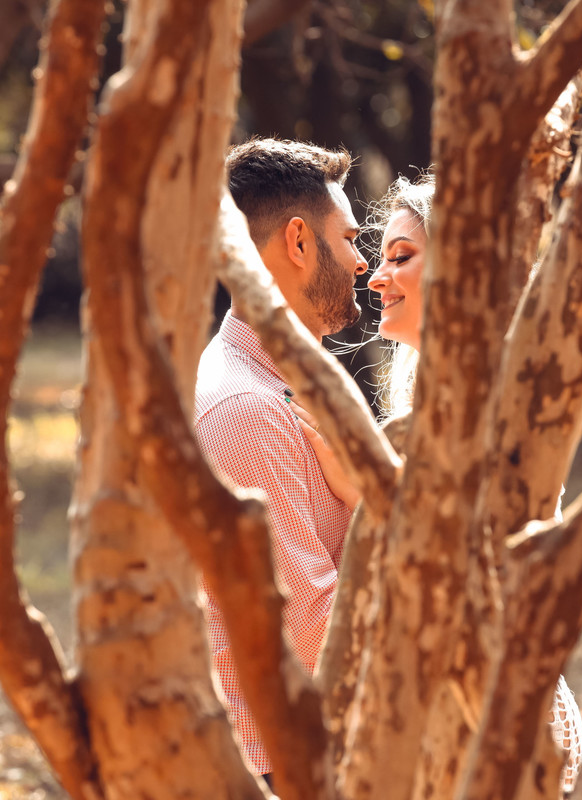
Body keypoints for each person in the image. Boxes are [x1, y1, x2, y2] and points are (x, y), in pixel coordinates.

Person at [367, 173, 582, 790]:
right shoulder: (429, 394)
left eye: (401, 258)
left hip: (498, 724)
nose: (377, 277)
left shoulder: (495, 398)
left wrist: (357, 473)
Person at [192, 138, 368, 778]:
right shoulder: (245, 409)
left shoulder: (293, 386)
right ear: (298, 242)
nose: (360, 261)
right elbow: (315, 632)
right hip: (281, 767)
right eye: (348, 239)